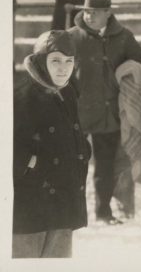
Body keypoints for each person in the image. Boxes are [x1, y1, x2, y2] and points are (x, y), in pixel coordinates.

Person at [67, 0, 141, 225]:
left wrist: (127, 74)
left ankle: (103, 212)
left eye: (95, 12)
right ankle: (70, 213)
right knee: (72, 166)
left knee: (105, 168)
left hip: (110, 116)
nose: (89, 16)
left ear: (108, 13)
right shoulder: (71, 37)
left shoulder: (123, 37)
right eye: (86, 11)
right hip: (78, 116)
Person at [13, 31, 91, 258]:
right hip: (30, 211)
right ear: (40, 61)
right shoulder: (22, 97)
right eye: (55, 60)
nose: (63, 68)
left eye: (69, 61)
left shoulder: (67, 93)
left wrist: (83, 151)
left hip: (63, 208)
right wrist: (32, 163)